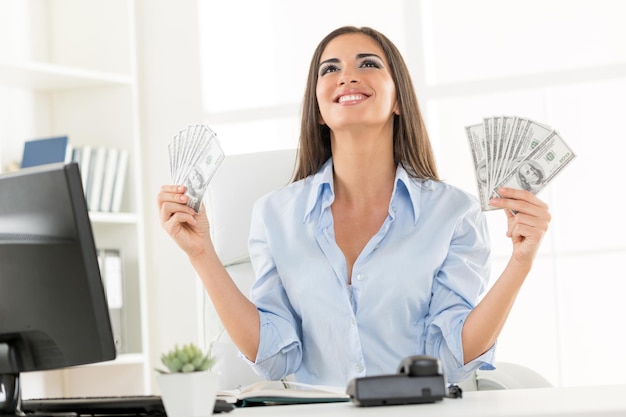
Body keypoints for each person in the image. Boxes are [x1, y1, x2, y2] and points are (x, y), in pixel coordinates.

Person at [157, 26, 551, 386]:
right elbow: (275, 356)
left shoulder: (453, 212)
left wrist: (520, 262)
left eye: (368, 63)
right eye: (330, 69)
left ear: (399, 100)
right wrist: (202, 254)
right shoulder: (274, 214)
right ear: (319, 108)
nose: (347, 75)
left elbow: (452, 355)